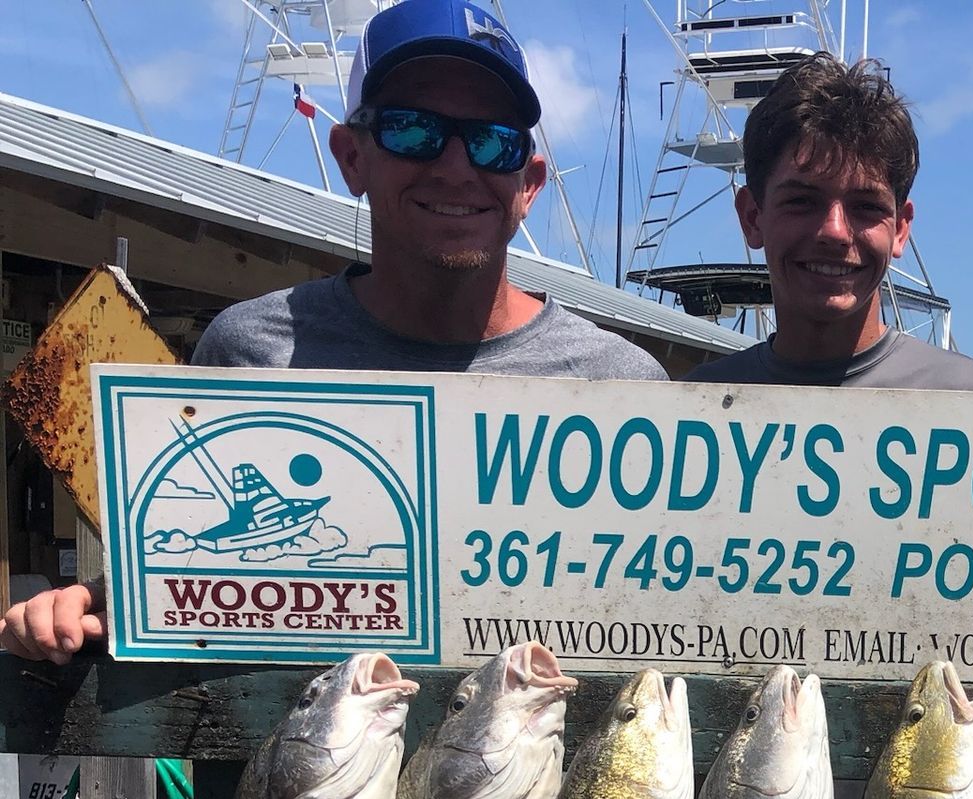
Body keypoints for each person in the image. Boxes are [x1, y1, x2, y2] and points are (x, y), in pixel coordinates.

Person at [2, 0, 668, 663]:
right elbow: (191, 598)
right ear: (352, 157)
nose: (457, 166)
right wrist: (90, 608)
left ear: (529, 181)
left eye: (495, 141)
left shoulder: (627, 385)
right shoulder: (249, 351)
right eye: (414, 131)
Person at [683, 54, 973, 391]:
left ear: (900, 229)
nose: (835, 231)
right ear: (752, 217)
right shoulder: (687, 412)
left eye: (866, 207)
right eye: (802, 202)